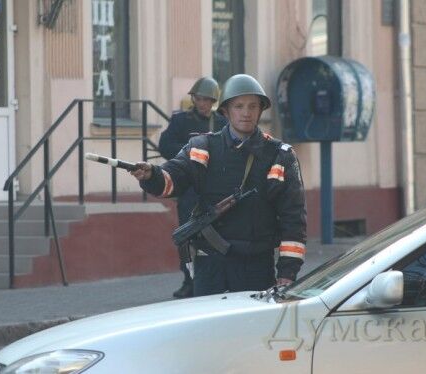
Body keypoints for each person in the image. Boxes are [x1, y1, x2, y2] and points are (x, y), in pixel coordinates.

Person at [131, 74, 306, 297]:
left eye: (253, 106)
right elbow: (171, 180)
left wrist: (287, 273)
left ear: (261, 110)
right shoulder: (203, 146)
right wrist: (151, 176)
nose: (246, 112)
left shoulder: (280, 155)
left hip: (255, 267)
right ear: (225, 111)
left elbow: (294, 219)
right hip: (210, 266)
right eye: (239, 106)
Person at [158, 77, 228, 298]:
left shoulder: (221, 123)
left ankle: (215, 280)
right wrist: (194, 151)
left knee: (217, 237)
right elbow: (165, 146)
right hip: (189, 189)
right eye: (198, 99)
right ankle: (189, 280)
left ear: (214, 100)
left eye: (207, 100)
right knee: (187, 237)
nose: (202, 104)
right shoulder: (181, 122)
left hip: (214, 190)